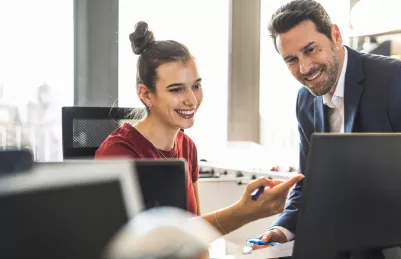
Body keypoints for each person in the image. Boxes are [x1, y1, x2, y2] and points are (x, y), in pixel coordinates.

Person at [255, 0, 401, 251]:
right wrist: (280, 230)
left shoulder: (399, 80)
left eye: (311, 49)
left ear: (335, 35)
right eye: (291, 60)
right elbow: (308, 183)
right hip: (344, 244)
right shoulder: (305, 101)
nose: (305, 68)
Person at [95, 21, 304, 241]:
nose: (192, 100)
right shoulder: (117, 152)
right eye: (177, 89)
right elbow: (133, 246)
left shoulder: (187, 147)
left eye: (196, 86)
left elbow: (195, 235)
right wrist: (245, 211)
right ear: (146, 94)